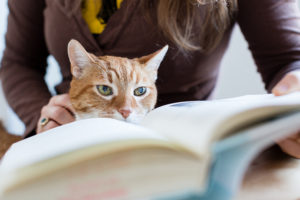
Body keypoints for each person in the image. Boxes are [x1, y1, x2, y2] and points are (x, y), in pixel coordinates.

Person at [1, 0, 300, 158]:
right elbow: (18, 62)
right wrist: (46, 121)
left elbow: (289, 58)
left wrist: (294, 96)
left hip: (182, 152)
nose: (126, 107)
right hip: (68, 143)